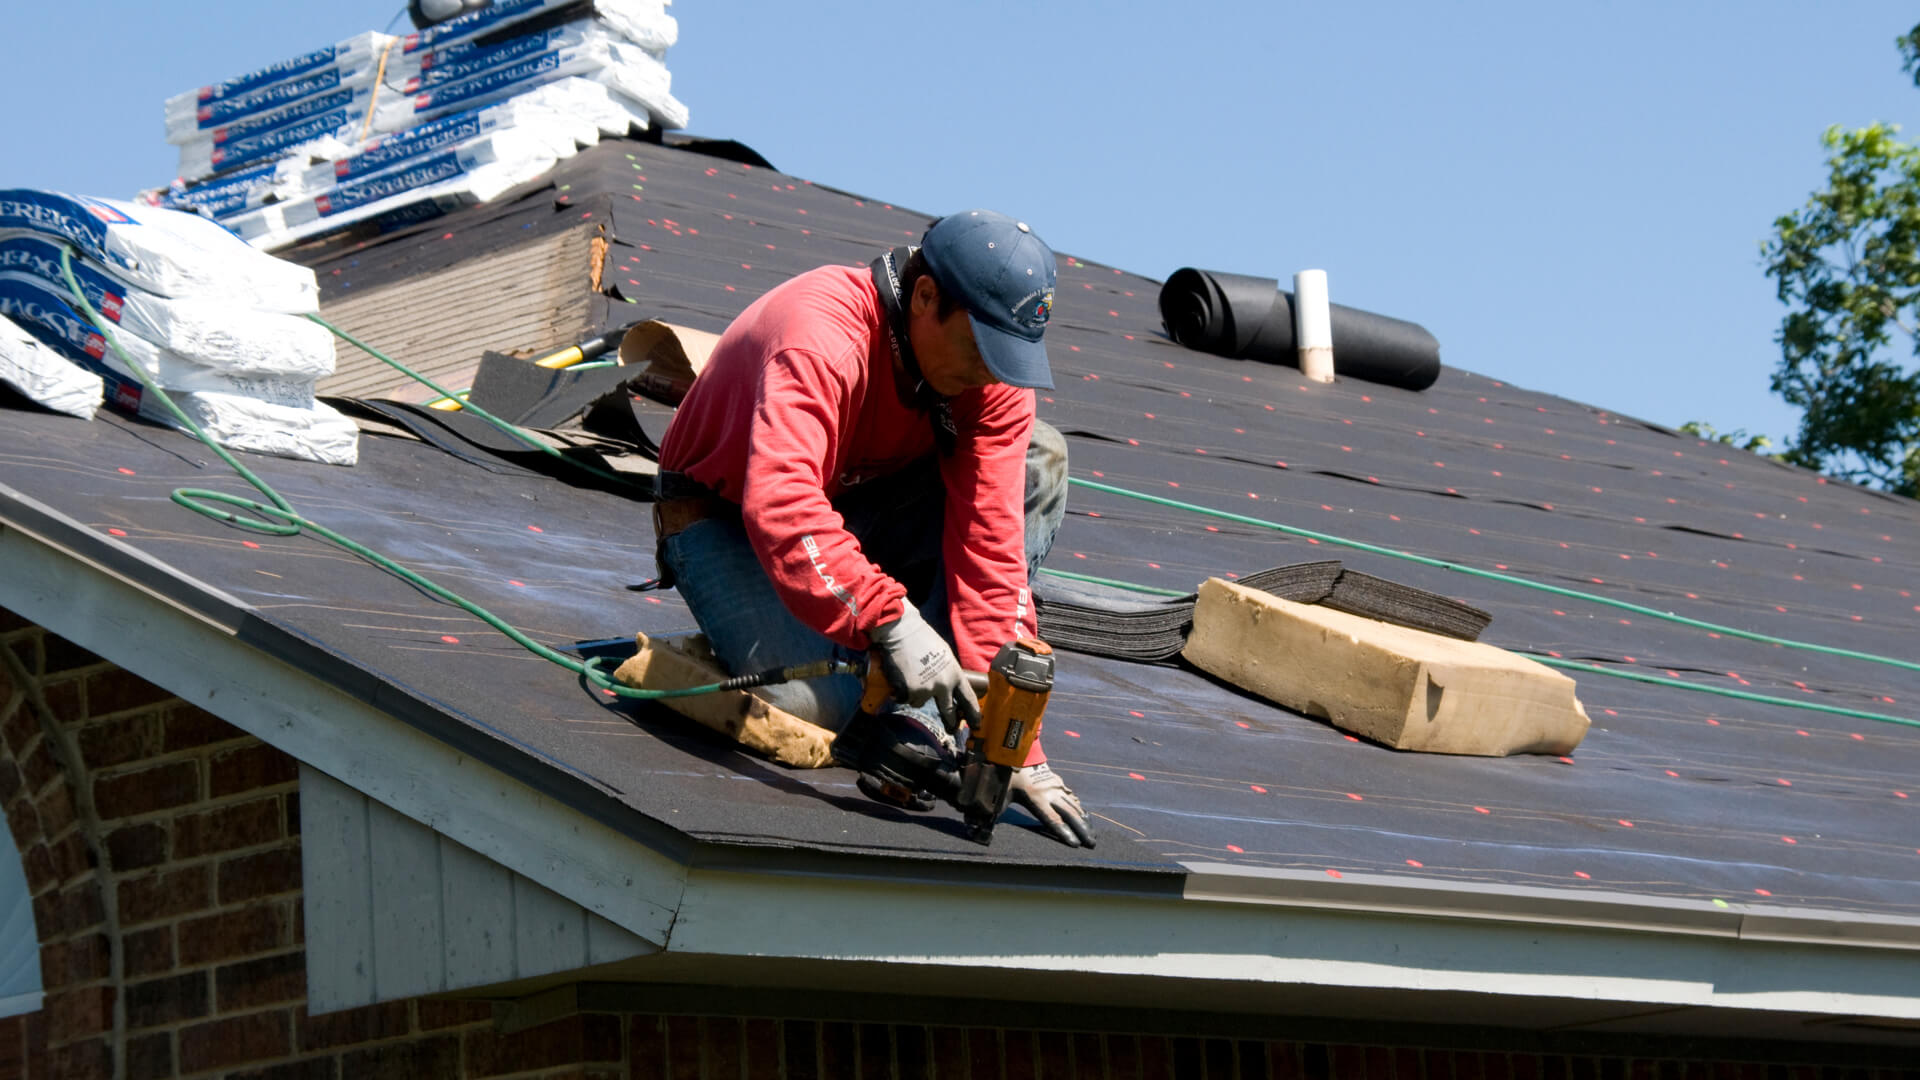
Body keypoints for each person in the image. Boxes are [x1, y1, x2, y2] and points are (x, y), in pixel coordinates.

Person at [651, 210, 1095, 848]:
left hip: (850, 511)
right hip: (725, 520)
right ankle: (866, 677)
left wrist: (1014, 742)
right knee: (827, 708)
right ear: (924, 297)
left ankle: (917, 702)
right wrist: (890, 620)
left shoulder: (991, 374)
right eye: (982, 350)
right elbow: (781, 505)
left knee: (1039, 456)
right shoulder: (820, 334)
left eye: (1007, 358)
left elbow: (992, 558)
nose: (991, 374)